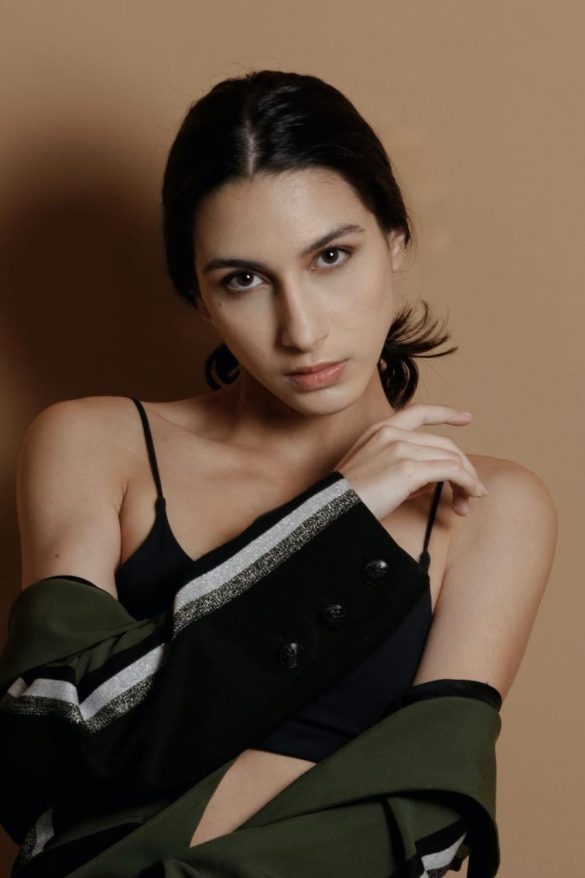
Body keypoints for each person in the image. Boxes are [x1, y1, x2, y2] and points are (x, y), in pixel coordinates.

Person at [1, 69, 557, 877]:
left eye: (331, 256)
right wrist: (336, 517)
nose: (300, 329)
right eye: (244, 279)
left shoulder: (489, 506)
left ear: (395, 243)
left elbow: (431, 824)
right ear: (198, 295)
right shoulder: (94, 443)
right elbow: (52, 743)